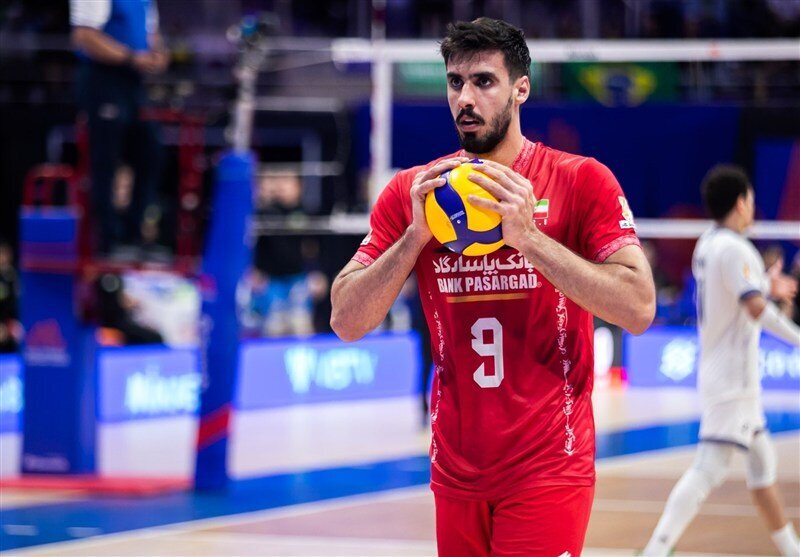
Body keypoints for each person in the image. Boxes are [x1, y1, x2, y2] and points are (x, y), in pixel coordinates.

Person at [330, 18, 656, 556]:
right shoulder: (416, 192)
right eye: (455, 82)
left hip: (549, 467)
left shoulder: (580, 180)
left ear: (520, 89)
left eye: (483, 81)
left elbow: (639, 307)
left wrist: (529, 239)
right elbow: (345, 320)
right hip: (455, 472)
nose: (465, 98)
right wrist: (414, 238)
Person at [643, 165, 800, 557]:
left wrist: (766, 283)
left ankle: (791, 549)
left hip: (731, 379)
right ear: (742, 202)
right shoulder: (735, 248)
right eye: (751, 200)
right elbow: (754, 308)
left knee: (763, 467)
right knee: (709, 469)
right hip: (732, 383)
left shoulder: (709, 243)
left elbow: (738, 288)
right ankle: (656, 550)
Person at [70, 0, 168, 257]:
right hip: (102, 79)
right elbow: (83, 37)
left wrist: (158, 55)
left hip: (133, 82)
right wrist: (131, 57)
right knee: (105, 161)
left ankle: (134, 235)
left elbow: (151, 34)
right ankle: (107, 240)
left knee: (151, 153)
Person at [0, 240, 23, 353]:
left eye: (5, 254)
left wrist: (11, 324)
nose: (3, 258)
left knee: (19, 332)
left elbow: (15, 302)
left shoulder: (13, 276)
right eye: (1, 254)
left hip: (9, 321)